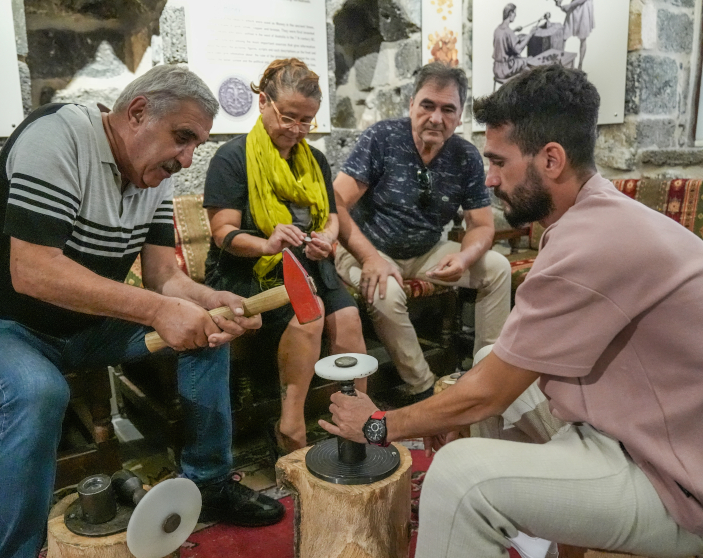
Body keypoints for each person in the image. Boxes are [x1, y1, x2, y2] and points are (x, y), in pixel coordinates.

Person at [320, 65, 703, 557]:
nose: (490, 177)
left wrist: (377, 426)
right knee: (485, 360)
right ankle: (513, 534)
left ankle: (482, 521)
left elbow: (488, 396)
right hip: (642, 429)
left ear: (551, 160)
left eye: (499, 161)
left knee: (460, 478)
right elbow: (492, 384)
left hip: (675, 482)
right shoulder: (597, 216)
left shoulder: (588, 245)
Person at [0, 65, 285, 558]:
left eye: (196, 144)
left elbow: (162, 277)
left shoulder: (153, 174)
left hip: (79, 325)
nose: (188, 158)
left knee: (207, 333)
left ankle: (208, 485)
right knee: (38, 391)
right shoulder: (57, 136)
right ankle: (13, 551)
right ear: (137, 112)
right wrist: (160, 311)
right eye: (183, 137)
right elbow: (34, 271)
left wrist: (211, 301)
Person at [203, 58, 366, 454]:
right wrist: (266, 243)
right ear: (263, 103)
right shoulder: (232, 158)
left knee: (347, 317)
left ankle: (357, 415)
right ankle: (290, 424)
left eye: (306, 121)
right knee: (309, 317)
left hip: (308, 264)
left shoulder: (315, 161)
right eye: (288, 117)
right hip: (249, 270)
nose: (296, 130)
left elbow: (329, 218)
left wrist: (326, 241)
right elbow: (222, 231)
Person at [333, 62, 511, 402]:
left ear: (460, 117)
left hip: (425, 251)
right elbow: (335, 203)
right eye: (427, 105)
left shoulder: (465, 156)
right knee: (383, 290)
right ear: (411, 104)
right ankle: (423, 389)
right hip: (366, 246)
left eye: (448, 109)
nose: (436, 118)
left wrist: (464, 256)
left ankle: (488, 375)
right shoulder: (381, 138)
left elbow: (482, 224)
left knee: (497, 269)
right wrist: (370, 258)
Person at [493, 4, 540, 83]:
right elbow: (518, 50)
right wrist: (530, 34)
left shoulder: (497, 29)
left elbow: (504, 37)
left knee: (521, 59)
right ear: (510, 13)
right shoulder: (508, 32)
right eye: (515, 13)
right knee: (530, 61)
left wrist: (514, 30)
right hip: (506, 69)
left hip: (497, 68)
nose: (516, 15)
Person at [556, 0, 594, 70]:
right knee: (564, 36)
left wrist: (569, 6)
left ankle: (580, 64)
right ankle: (560, 62)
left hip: (584, 9)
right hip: (574, 7)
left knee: (583, 38)